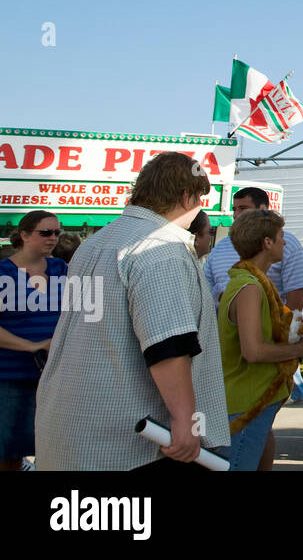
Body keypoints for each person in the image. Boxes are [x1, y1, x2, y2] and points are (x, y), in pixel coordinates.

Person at [36, 153, 230, 471]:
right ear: (186, 197)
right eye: (200, 199)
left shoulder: (95, 244)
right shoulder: (160, 247)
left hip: (73, 425)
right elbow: (167, 344)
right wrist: (186, 421)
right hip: (134, 443)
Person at [217, 210, 303, 471]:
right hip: (245, 403)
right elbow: (252, 351)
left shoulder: (250, 282)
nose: (284, 242)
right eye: (281, 237)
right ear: (267, 242)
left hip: (251, 401)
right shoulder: (249, 287)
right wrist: (301, 348)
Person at [205, 187, 303, 415]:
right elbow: (208, 297)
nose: (236, 215)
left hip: (267, 353)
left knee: (258, 425)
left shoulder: (286, 247)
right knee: (246, 423)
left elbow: (295, 299)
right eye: (234, 209)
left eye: (243, 208)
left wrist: (288, 339)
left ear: (264, 209)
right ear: (267, 243)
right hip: (237, 355)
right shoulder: (247, 283)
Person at [0, 210, 67, 471]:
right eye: (45, 233)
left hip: (54, 375)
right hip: (11, 375)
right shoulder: (4, 272)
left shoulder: (62, 269)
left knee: (53, 445)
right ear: (25, 235)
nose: (52, 238)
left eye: (57, 233)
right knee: (9, 450)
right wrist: (33, 346)